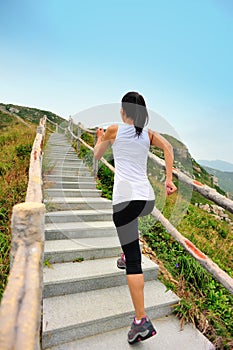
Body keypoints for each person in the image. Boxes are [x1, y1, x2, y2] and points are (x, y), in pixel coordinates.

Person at [94, 91, 177, 345]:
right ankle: (125, 251)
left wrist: (99, 138)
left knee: (133, 260)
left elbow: (97, 155)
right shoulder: (146, 134)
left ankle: (141, 320)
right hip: (145, 200)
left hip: (125, 201)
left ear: (123, 111)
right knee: (129, 232)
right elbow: (169, 147)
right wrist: (169, 179)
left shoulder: (113, 130)